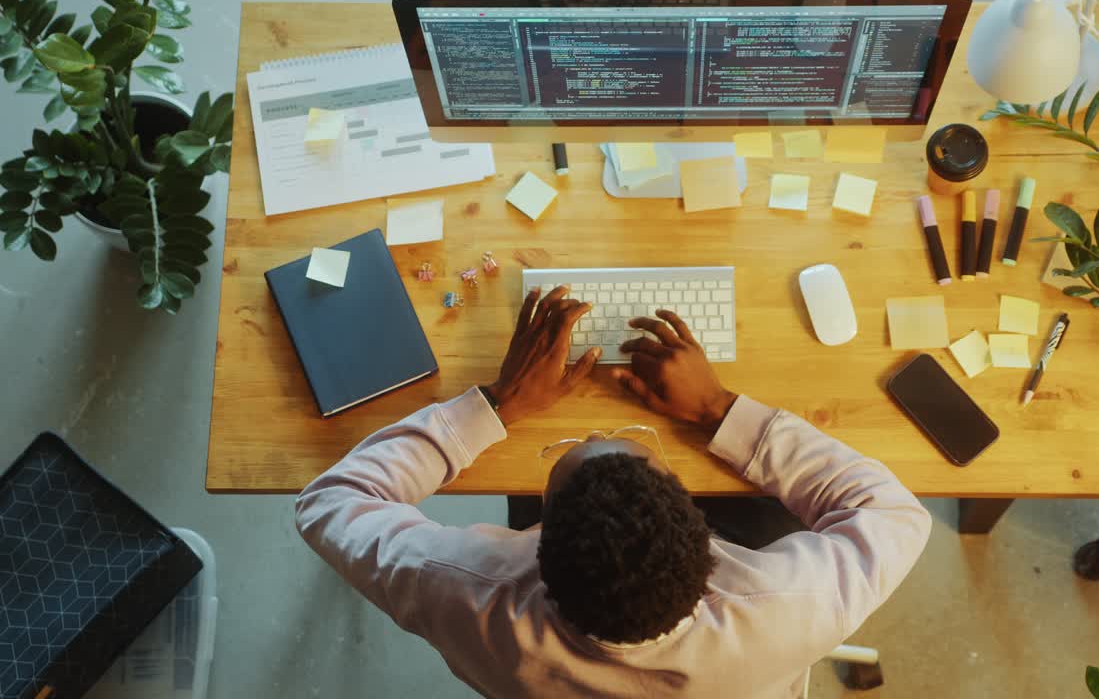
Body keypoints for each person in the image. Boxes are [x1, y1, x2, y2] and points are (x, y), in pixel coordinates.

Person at [295, 286, 931, 698]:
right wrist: (716, 408)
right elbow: (894, 512)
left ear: (532, 545)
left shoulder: (465, 594)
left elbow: (331, 503)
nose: (598, 430)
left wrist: (500, 405)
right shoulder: (793, 605)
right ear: (702, 531)